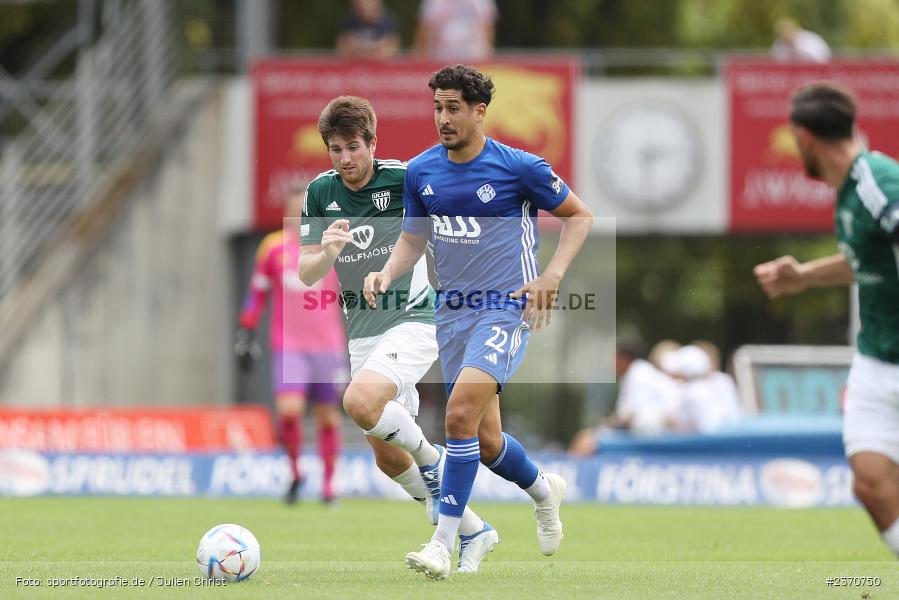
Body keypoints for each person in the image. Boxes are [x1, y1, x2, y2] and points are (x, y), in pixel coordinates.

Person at [364, 64, 593, 579]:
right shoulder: (423, 171)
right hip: (452, 314)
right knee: (486, 442)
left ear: (478, 111)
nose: (442, 118)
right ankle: (543, 490)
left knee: (459, 416)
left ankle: (443, 544)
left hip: (506, 307)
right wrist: (387, 270)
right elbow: (412, 239)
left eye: (452, 108)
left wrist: (551, 275)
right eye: (437, 108)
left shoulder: (519, 167)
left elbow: (580, 216)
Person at [298, 95, 497, 573]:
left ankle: (433, 468)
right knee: (387, 457)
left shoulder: (404, 178)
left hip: (415, 319)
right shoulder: (320, 192)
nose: (345, 159)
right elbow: (306, 273)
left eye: (352, 147)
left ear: (372, 142)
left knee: (359, 403)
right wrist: (327, 252)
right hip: (363, 333)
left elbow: (453, 217)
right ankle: (474, 530)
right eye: (335, 149)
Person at [753, 82, 899, 557]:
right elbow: (866, 259)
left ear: (804, 137)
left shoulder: (878, 179)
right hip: (877, 358)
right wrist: (804, 277)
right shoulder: (849, 191)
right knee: (872, 484)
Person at [236, 191, 347, 504]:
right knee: (289, 412)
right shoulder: (273, 247)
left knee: (328, 417)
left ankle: (328, 487)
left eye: (305, 209)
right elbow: (258, 292)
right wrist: (246, 328)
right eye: (294, 209)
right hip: (290, 345)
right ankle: (296, 473)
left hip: (327, 346)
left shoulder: (331, 245)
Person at [568, 339, 680, 456]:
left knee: (586, 440)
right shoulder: (638, 372)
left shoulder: (638, 374)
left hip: (658, 432)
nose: (611, 363)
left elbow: (630, 416)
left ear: (624, 358)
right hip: (653, 430)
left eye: (615, 358)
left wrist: (604, 425)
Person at [413, 0, 497, 61]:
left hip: (472, 56)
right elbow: (425, 29)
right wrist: (422, 54)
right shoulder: (434, 2)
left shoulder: (480, 2)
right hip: (440, 57)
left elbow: (487, 27)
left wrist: (486, 52)